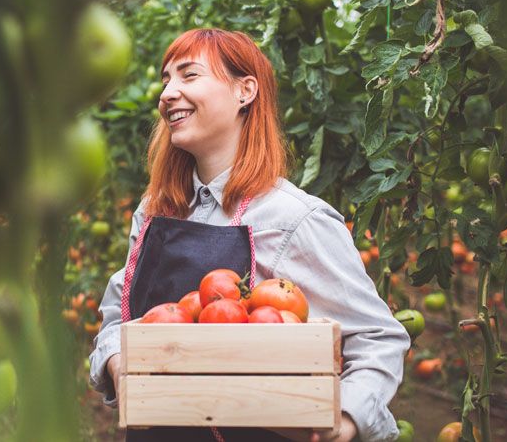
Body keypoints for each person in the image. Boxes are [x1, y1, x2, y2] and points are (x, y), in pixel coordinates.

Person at [87, 28, 410, 442]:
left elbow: (377, 337)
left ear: (245, 91)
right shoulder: (156, 209)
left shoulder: (293, 217)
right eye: (166, 79)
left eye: (189, 75)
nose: (167, 93)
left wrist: (346, 417)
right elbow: (120, 315)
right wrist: (119, 362)